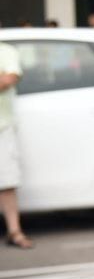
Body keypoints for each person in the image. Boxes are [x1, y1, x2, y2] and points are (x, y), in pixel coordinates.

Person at [0, 41, 32, 249]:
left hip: (2, 126)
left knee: (7, 181)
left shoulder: (6, 51)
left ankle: (14, 231)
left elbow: (9, 79)